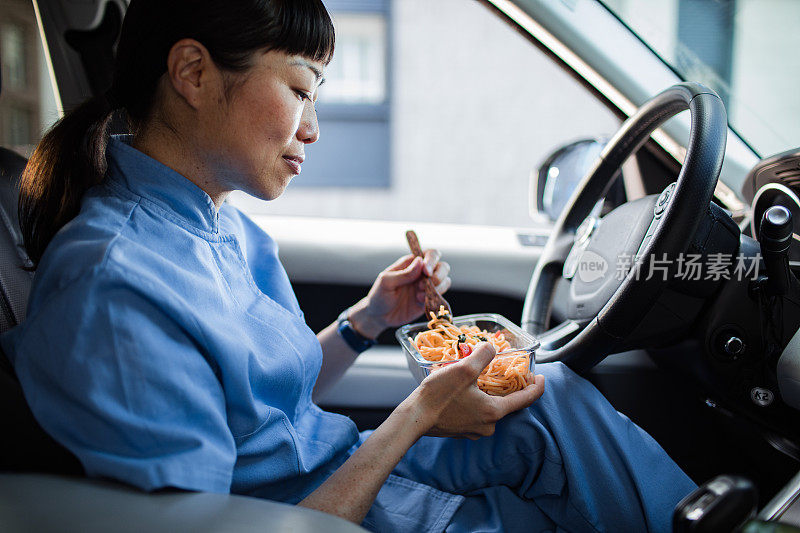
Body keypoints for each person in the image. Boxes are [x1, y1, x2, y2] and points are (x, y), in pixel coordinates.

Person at [1, 0, 696, 531]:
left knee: (551, 396)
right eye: (302, 89)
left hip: (346, 465)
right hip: (326, 506)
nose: (314, 125)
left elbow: (270, 400)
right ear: (192, 72)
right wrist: (421, 411)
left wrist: (369, 320)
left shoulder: (219, 223)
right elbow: (227, 521)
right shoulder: (115, 288)